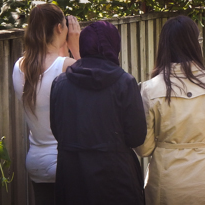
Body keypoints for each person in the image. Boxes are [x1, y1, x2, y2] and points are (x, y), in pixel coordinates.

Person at [135, 15, 205, 205]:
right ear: (196, 44)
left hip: (167, 183)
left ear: (164, 45)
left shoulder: (150, 88)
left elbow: (144, 149)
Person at [49, 21, 146, 205]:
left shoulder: (60, 83)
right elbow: (136, 137)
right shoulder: (125, 82)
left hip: (72, 179)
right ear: (114, 45)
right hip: (116, 180)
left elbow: (58, 131)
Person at [10, 3, 80, 204]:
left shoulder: (20, 66)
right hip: (64, 160)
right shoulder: (68, 66)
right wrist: (75, 48)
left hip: (36, 161)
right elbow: (97, 89)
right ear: (60, 28)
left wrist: (63, 52)